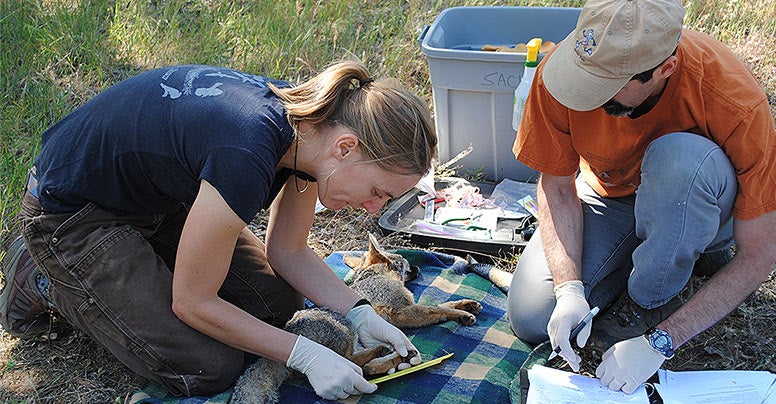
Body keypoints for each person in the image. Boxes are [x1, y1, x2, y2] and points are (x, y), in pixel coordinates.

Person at [2, 60, 437, 399]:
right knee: (208, 366)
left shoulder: (315, 129)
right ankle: (47, 277)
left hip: (158, 201)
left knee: (279, 306)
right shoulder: (247, 150)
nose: (374, 208)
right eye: (378, 191)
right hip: (73, 213)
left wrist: (359, 312)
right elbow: (193, 302)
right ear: (346, 148)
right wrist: (304, 354)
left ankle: (141, 265)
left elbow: (288, 252)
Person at [507, 0, 776, 394]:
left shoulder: (732, 98)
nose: (586, 94)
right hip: (611, 195)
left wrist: (662, 341)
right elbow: (558, 186)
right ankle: (659, 254)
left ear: (664, 69)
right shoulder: (560, 73)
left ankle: (652, 298)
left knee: (679, 162)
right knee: (533, 315)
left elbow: (760, 253)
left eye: (606, 84)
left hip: (696, 197)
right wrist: (568, 289)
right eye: (585, 76)